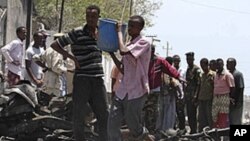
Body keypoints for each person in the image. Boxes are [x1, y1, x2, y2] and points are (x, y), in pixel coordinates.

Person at [50, 5, 109, 141]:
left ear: (98, 17)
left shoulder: (101, 33)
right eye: (88, 16)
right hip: (82, 79)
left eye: (93, 16)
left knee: (104, 114)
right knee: (79, 114)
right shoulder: (77, 32)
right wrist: (72, 57)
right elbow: (55, 45)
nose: (90, 19)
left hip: (98, 79)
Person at [108, 15, 153, 141]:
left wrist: (118, 32)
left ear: (140, 28)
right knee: (112, 122)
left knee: (133, 124)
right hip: (123, 89)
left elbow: (123, 50)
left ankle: (146, 137)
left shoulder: (144, 42)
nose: (130, 28)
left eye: (133, 26)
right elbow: (123, 68)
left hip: (136, 90)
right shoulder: (129, 44)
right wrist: (111, 53)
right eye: (129, 25)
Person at [144, 45, 180, 135]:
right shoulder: (144, 60)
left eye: (152, 50)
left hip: (155, 91)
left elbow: (170, 70)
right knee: (143, 112)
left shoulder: (160, 61)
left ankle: (152, 132)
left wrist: (178, 76)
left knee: (153, 112)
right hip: (144, 90)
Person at [33, 33, 75, 97]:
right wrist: (70, 70)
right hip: (54, 80)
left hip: (49, 78)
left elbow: (36, 58)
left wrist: (46, 67)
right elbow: (56, 68)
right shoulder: (57, 52)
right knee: (55, 100)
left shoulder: (49, 49)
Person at [155, 56, 183, 139]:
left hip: (161, 95)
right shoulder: (170, 72)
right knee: (169, 115)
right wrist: (180, 93)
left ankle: (160, 131)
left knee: (161, 114)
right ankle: (166, 131)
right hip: (169, 96)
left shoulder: (159, 71)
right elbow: (175, 83)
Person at [212, 58, 235, 128]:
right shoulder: (215, 75)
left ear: (222, 65)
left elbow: (232, 87)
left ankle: (223, 133)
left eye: (220, 65)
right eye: (217, 65)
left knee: (223, 116)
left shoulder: (227, 75)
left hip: (224, 97)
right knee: (214, 115)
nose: (218, 67)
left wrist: (230, 98)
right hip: (216, 97)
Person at [184, 52, 201, 134]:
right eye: (187, 59)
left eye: (190, 59)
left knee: (193, 114)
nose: (188, 61)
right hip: (188, 95)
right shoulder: (188, 69)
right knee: (189, 114)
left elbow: (198, 84)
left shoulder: (196, 69)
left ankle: (194, 131)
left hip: (193, 96)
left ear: (193, 59)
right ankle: (192, 130)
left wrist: (195, 96)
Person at [198, 58, 215, 132]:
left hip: (209, 99)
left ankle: (211, 133)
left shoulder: (213, 74)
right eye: (201, 66)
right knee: (201, 118)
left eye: (204, 66)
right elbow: (199, 86)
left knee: (209, 118)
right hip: (201, 99)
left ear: (207, 65)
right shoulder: (201, 75)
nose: (202, 68)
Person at [227, 58, 244, 125]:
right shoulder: (227, 74)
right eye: (227, 63)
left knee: (236, 121)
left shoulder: (238, 74)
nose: (227, 65)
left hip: (237, 103)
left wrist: (236, 101)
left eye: (229, 63)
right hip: (229, 102)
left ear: (234, 64)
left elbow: (240, 88)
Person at [172, 54, 186, 134]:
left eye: (178, 61)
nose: (177, 62)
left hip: (181, 94)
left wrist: (183, 94)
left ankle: (182, 129)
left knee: (181, 113)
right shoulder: (171, 69)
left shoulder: (183, 70)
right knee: (172, 112)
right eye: (175, 61)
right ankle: (173, 128)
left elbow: (184, 83)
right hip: (173, 94)